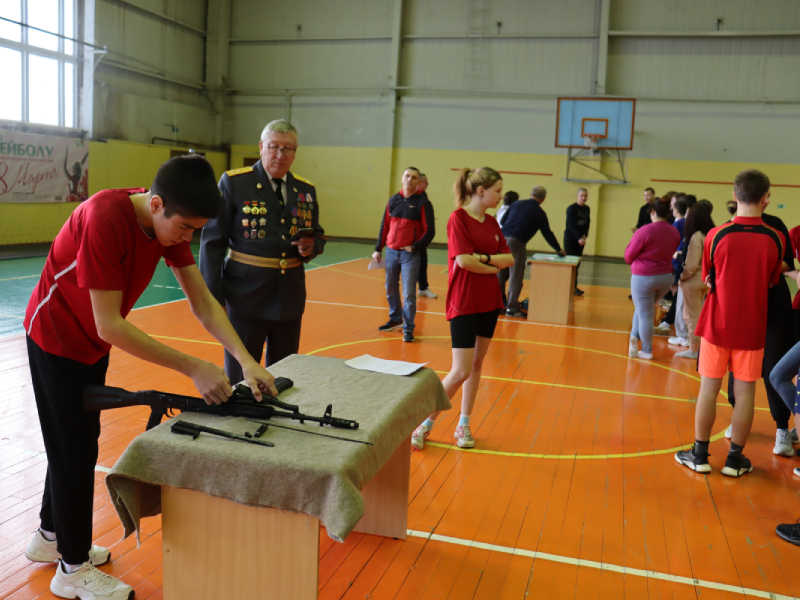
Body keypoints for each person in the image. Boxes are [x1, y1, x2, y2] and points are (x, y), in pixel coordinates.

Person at [23, 155, 280, 600]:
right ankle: (71, 568)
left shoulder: (165, 222)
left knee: (77, 441)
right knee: (73, 452)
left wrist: (245, 359)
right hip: (55, 339)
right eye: (185, 229)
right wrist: (193, 366)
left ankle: (50, 538)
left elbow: (202, 302)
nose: (188, 238)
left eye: (195, 230)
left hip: (89, 343)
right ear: (157, 204)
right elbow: (110, 324)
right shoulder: (105, 217)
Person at [675, 170, 784, 477]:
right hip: (752, 328)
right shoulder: (775, 238)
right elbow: (772, 280)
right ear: (766, 199)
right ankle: (735, 461)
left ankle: (699, 455)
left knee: (709, 389)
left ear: (735, 196)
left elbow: (710, 277)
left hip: (717, 325)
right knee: (746, 392)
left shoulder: (716, 235)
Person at [200, 120, 326, 382]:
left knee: (285, 374)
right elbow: (212, 243)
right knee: (240, 376)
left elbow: (317, 234)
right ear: (261, 147)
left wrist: (310, 247)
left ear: (295, 152)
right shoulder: (235, 183)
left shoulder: (305, 190)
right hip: (246, 296)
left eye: (288, 149)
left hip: (289, 296)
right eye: (274, 147)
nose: (280, 155)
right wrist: (214, 298)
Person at [410, 167, 513, 450]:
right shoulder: (458, 219)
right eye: (497, 191)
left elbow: (510, 259)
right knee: (460, 371)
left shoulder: (492, 223)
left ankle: (464, 424)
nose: (500, 196)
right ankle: (423, 423)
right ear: (480, 191)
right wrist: (490, 264)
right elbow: (463, 263)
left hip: (490, 301)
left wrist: (482, 258)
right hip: (465, 300)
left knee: (477, 366)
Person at [373, 167, 435, 343]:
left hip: (410, 255)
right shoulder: (393, 200)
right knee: (390, 289)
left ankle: (408, 327)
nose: (410, 179)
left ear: (418, 182)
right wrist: (378, 248)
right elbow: (384, 225)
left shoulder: (423, 203)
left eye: (414, 177)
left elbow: (430, 231)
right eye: (407, 176)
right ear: (402, 178)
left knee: (408, 293)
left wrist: (415, 247)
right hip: (391, 252)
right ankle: (395, 319)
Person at [625, 199, 680, 359]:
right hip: (666, 278)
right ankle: (635, 335)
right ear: (668, 214)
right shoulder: (674, 231)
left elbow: (628, 256)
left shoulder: (644, 231)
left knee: (645, 314)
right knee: (643, 308)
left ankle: (647, 350)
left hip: (644, 276)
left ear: (652, 212)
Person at [498, 186, 565, 318]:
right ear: (543, 199)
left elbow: (503, 221)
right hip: (516, 242)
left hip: (501, 239)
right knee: (515, 276)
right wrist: (558, 249)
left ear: (530, 194)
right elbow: (547, 233)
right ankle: (511, 308)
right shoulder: (539, 213)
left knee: (500, 274)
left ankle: (496, 305)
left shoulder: (516, 204)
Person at [675, 202, 714, 359]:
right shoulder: (711, 233)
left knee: (691, 316)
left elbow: (691, 265)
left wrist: (682, 277)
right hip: (706, 279)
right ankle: (701, 346)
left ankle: (693, 349)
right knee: (700, 314)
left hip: (693, 280)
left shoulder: (696, 236)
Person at [564, 187, 590, 296]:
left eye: (585, 196)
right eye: (582, 196)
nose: (583, 198)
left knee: (577, 264)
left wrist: (584, 236)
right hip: (571, 240)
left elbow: (587, 223)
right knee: (570, 263)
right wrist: (579, 237)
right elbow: (570, 225)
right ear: (577, 196)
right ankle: (566, 286)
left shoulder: (587, 209)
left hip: (581, 240)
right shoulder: (571, 209)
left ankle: (573, 287)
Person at [416, 173, 438, 299]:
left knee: (422, 263)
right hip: (412, 239)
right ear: (418, 183)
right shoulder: (412, 197)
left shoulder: (423, 197)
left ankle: (423, 288)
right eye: (425, 181)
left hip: (421, 238)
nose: (427, 184)